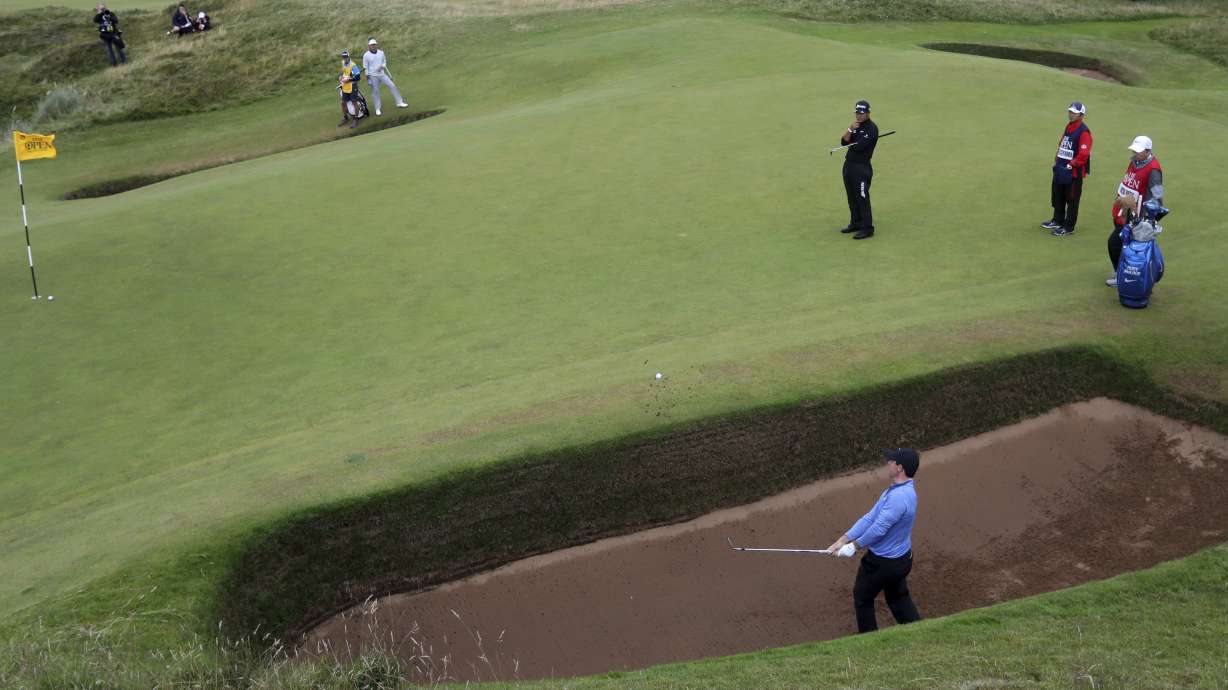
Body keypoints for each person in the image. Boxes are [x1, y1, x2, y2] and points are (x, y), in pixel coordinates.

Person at [827, 447, 922, 634]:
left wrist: (853, 547)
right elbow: (870, 518)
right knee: (897, 597)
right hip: (901, 560)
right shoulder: (898, 491)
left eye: (891, 461)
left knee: (862, 597)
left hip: (883, 564)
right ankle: (918, 632)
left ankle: (869, 639)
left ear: (900, 468)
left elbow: (878, 529)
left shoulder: (898, 498)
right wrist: (843, 539)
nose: (888, 463)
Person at [1106, 136, 1163, 287]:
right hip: (1123, 212)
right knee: (1121, 246)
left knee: (1115, 244)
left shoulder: (1154, 170)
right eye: (1134, 150)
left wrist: (1146, 219)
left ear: (1148, 151)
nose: (1135, 153)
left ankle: (1122, 275)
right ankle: (1122, 275)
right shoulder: (1134, 162)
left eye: (1139, 151)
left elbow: (1157, 196)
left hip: (1135, 217)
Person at [1044, 102, 1093, 237]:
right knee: (1058, 195)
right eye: (1070, 112)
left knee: (1071, 200)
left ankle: (1068, 226)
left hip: (1073, 173)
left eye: (1074, 113)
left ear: (1081, 115)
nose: (1071, 114)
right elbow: (1062, 143)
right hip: (1061, 168)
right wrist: (1057, 157)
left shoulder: (1084, 132)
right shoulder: (1069, 127)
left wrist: (1072, 164)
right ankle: (1057, 220)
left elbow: (1084, 154)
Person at [837, 100, 879, 240]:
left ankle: (867, 228)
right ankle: (856, 223)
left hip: (861, 168)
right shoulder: (855, 126)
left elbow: (858, 147)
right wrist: (850, 129)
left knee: (862, 197)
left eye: (862, 113)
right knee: (852, 196)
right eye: (857, 113)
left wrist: (851, 142)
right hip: (849, 165)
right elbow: (844, 142)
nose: (859, 116)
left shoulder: (872, 129)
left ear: (868, 113)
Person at [362, 38, 409, 116]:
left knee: (392, 85)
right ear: (369, 46)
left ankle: (399, 102)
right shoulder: (366, 55)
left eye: (374, 45)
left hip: (382, 74)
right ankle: (377, 109)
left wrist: (382, 66)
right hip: (373, 76)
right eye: (372, 45)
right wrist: (368, 79)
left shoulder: (381, 53)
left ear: (376, 45)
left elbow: (384, 62)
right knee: (376, 91)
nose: (373, 46)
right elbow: (366, 68)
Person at [338, 50, 363, 129]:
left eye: (346, 57)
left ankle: (355, 119)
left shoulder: (353, 65)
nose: (345, 59)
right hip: (345, 86)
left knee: (354, 102)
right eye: (344, 57)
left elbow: (358, 77)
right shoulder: (343, 63)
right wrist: (340, 76)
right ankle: (345, 117)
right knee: (343, 103)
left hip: (352, 86)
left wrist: (348, 80)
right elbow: (343, 72)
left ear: (349, 57)